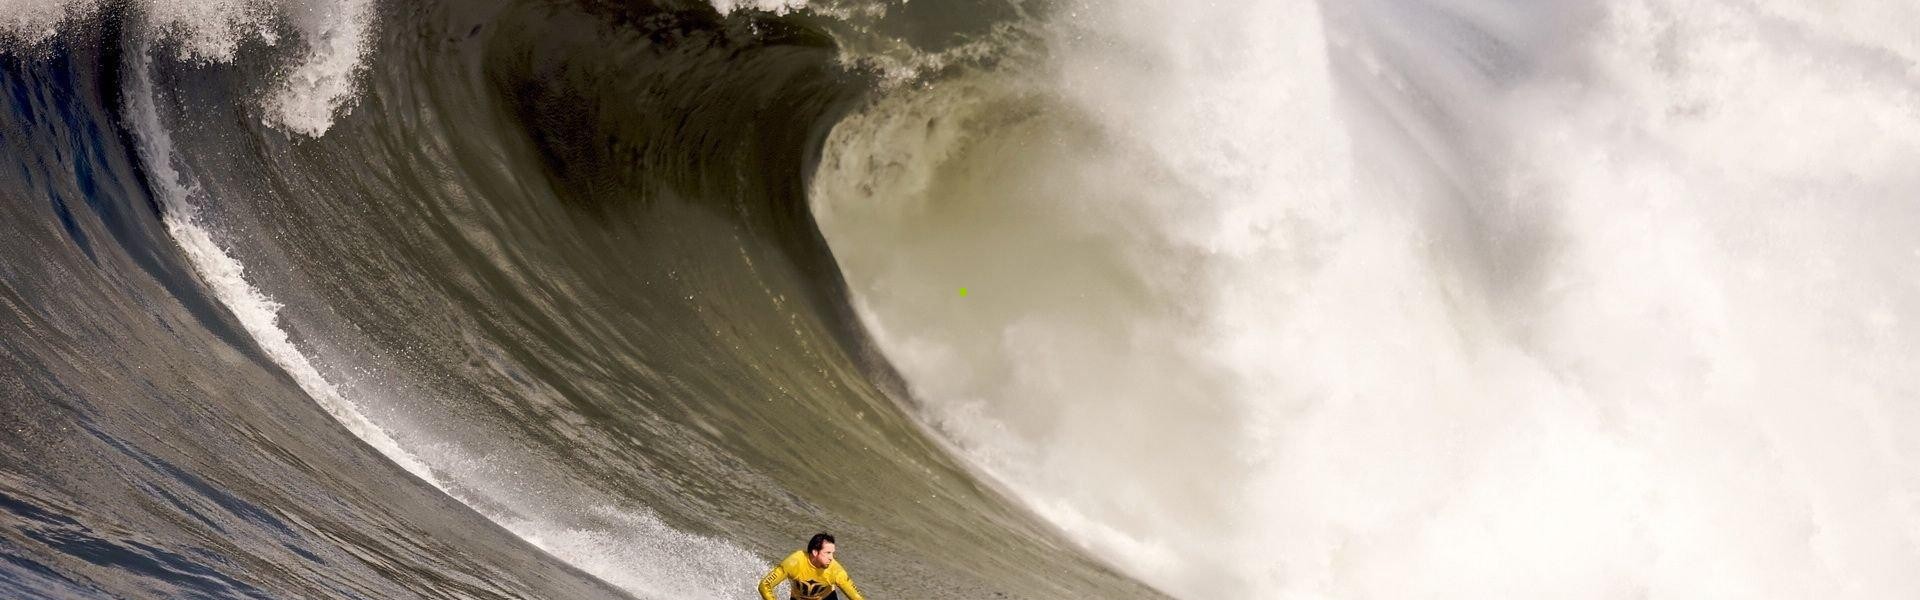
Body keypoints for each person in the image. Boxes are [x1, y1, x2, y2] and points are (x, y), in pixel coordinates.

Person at [757, 532, 866, 600]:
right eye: (827, 553)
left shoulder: (836, 571)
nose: (831, 558)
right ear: (815, 552)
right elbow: (765, 585)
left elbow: (857, 597)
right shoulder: (795, 562)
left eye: (832, 553)